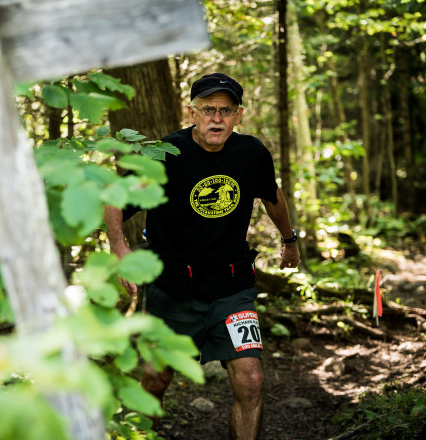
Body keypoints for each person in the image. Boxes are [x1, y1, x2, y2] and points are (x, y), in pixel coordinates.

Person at [104, 72, 300, 440]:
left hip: (231, 286)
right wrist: (119, 247)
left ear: (238, 115)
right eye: (208, 108)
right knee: (155, 380)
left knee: (251, 379)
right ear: (191, 112)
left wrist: (290, 240)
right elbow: (115, 199)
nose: (217, 118)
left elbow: (272, 196)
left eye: (226, 110)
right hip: (173, 287)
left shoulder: (252, 153)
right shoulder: (165, 153)